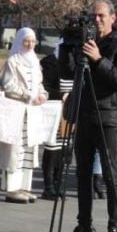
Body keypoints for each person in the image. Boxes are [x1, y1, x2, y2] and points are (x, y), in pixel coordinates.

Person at [58, 0, 117, 232]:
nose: (97, 20)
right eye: (93, 16)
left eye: (101, 16)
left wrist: (98, 59)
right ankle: (84, 224)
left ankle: (113, 227)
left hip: (108, 118)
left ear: (113, 17)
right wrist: (68, 46)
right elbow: (68, 73)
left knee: (111, 175)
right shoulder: (86, 42)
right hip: (84, 113)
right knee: (82, 173)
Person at [0, 27, 49, 204]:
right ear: (19, 41)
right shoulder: (13, 60)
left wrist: (43, 95)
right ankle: (12, 189)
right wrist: (27, 94)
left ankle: (25, 186)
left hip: (31, 111)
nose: (30, 44)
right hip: (17, 109)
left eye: (33, 41)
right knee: (14, 150)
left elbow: (39, 84)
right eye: (27, 40)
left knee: (29, 149)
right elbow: (8, 85)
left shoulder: (34, 61)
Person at [39, 41, 63, 201]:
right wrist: (61, 95)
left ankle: (58, 185)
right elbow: (44, 87)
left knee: (64, 150)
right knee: (52, 148)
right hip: (52, 108)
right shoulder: (48, 62)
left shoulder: (75, 63)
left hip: (67, 111)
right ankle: (48, 187)